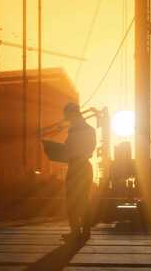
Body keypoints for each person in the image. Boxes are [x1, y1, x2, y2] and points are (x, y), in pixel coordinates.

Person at [62, 103, 96, 243]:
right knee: (79, 200)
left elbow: (88, 148)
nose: (68, 119)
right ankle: (80, 231)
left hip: (79, 167)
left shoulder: (82, 130)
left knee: (78, 200)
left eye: (68, 117)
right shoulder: (78, 129)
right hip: (78, 166)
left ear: (73, 114)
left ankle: (80, 231)